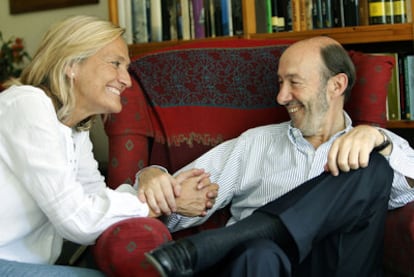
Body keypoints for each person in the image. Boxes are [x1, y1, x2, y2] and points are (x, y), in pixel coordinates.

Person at [137, 36, 414, 276]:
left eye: (294, 82)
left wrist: (380, 138)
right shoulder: (254, 145)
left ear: (337, 85)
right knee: (259, 252)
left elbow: (407, 190)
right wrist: (152, 175)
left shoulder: (378, 145)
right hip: (264, 267)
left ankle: (212, 246)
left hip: (339, 267)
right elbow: (173, 198)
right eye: (280, 83)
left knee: (373, 165)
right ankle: (244, 240)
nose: (282, 96)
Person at [0, 15, 218, 276]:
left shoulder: (75, 129)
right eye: (115, 64)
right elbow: (77, 220)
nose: (126, 80)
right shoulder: (27, 105)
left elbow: (94, 199)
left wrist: (155, 182)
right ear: (71, 64)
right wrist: (164, 203)